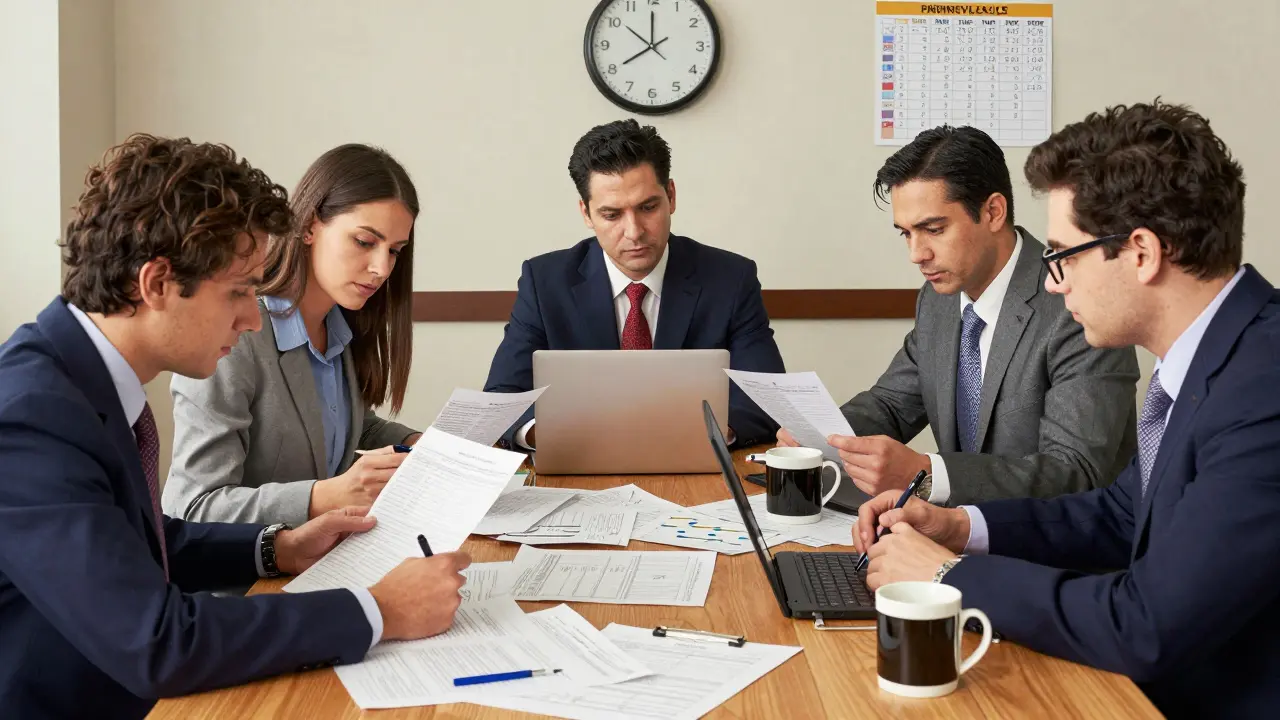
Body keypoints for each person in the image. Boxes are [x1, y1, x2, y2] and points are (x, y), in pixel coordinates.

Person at [0, 135, 469, 719]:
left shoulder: (80, 378)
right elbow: (158, 642)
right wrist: (377, 610)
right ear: (155, 283)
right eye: (239, 293)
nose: (253, 318)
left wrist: (277, 548)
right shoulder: (29, 416)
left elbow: (142, 542)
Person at [856, 101, 1280, 717]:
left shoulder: (1263, 386)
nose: (1053, 282)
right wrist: (962, 528)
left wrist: (949, 576)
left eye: (1064, 254)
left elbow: (1146, 625)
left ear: (1141, 252)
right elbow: (1118, 516)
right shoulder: (1218, 354)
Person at [779, 125, 1138, 505]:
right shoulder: (938, 300)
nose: (916, 254)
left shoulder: (1075, 303)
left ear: (993, 212)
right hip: (953, 536)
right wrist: (819, 436)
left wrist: (928, 472)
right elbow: (891, 405)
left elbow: (1074, 471)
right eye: (905, 233)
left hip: (1057, 551)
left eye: (933, 229)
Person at [484, 119, 785, 450]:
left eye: (648, 207)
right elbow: (503, 398)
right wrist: (553, 433)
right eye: (612, 215)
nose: (634, 231)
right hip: (578, 459)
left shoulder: (731, 278)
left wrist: (698, 434)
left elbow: (766, 398)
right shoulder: (544, 282)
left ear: (670, 196)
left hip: (695, 465)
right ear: (586, 213)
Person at [164, 144, 422, 526]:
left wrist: (420, 446)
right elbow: (192, 508)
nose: (382, 268)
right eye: (365, 242)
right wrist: (324, 496)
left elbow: (341, 429)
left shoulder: (339, 327)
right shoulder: (234, 338)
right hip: (251, 579)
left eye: (395, 251)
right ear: (308, 226)